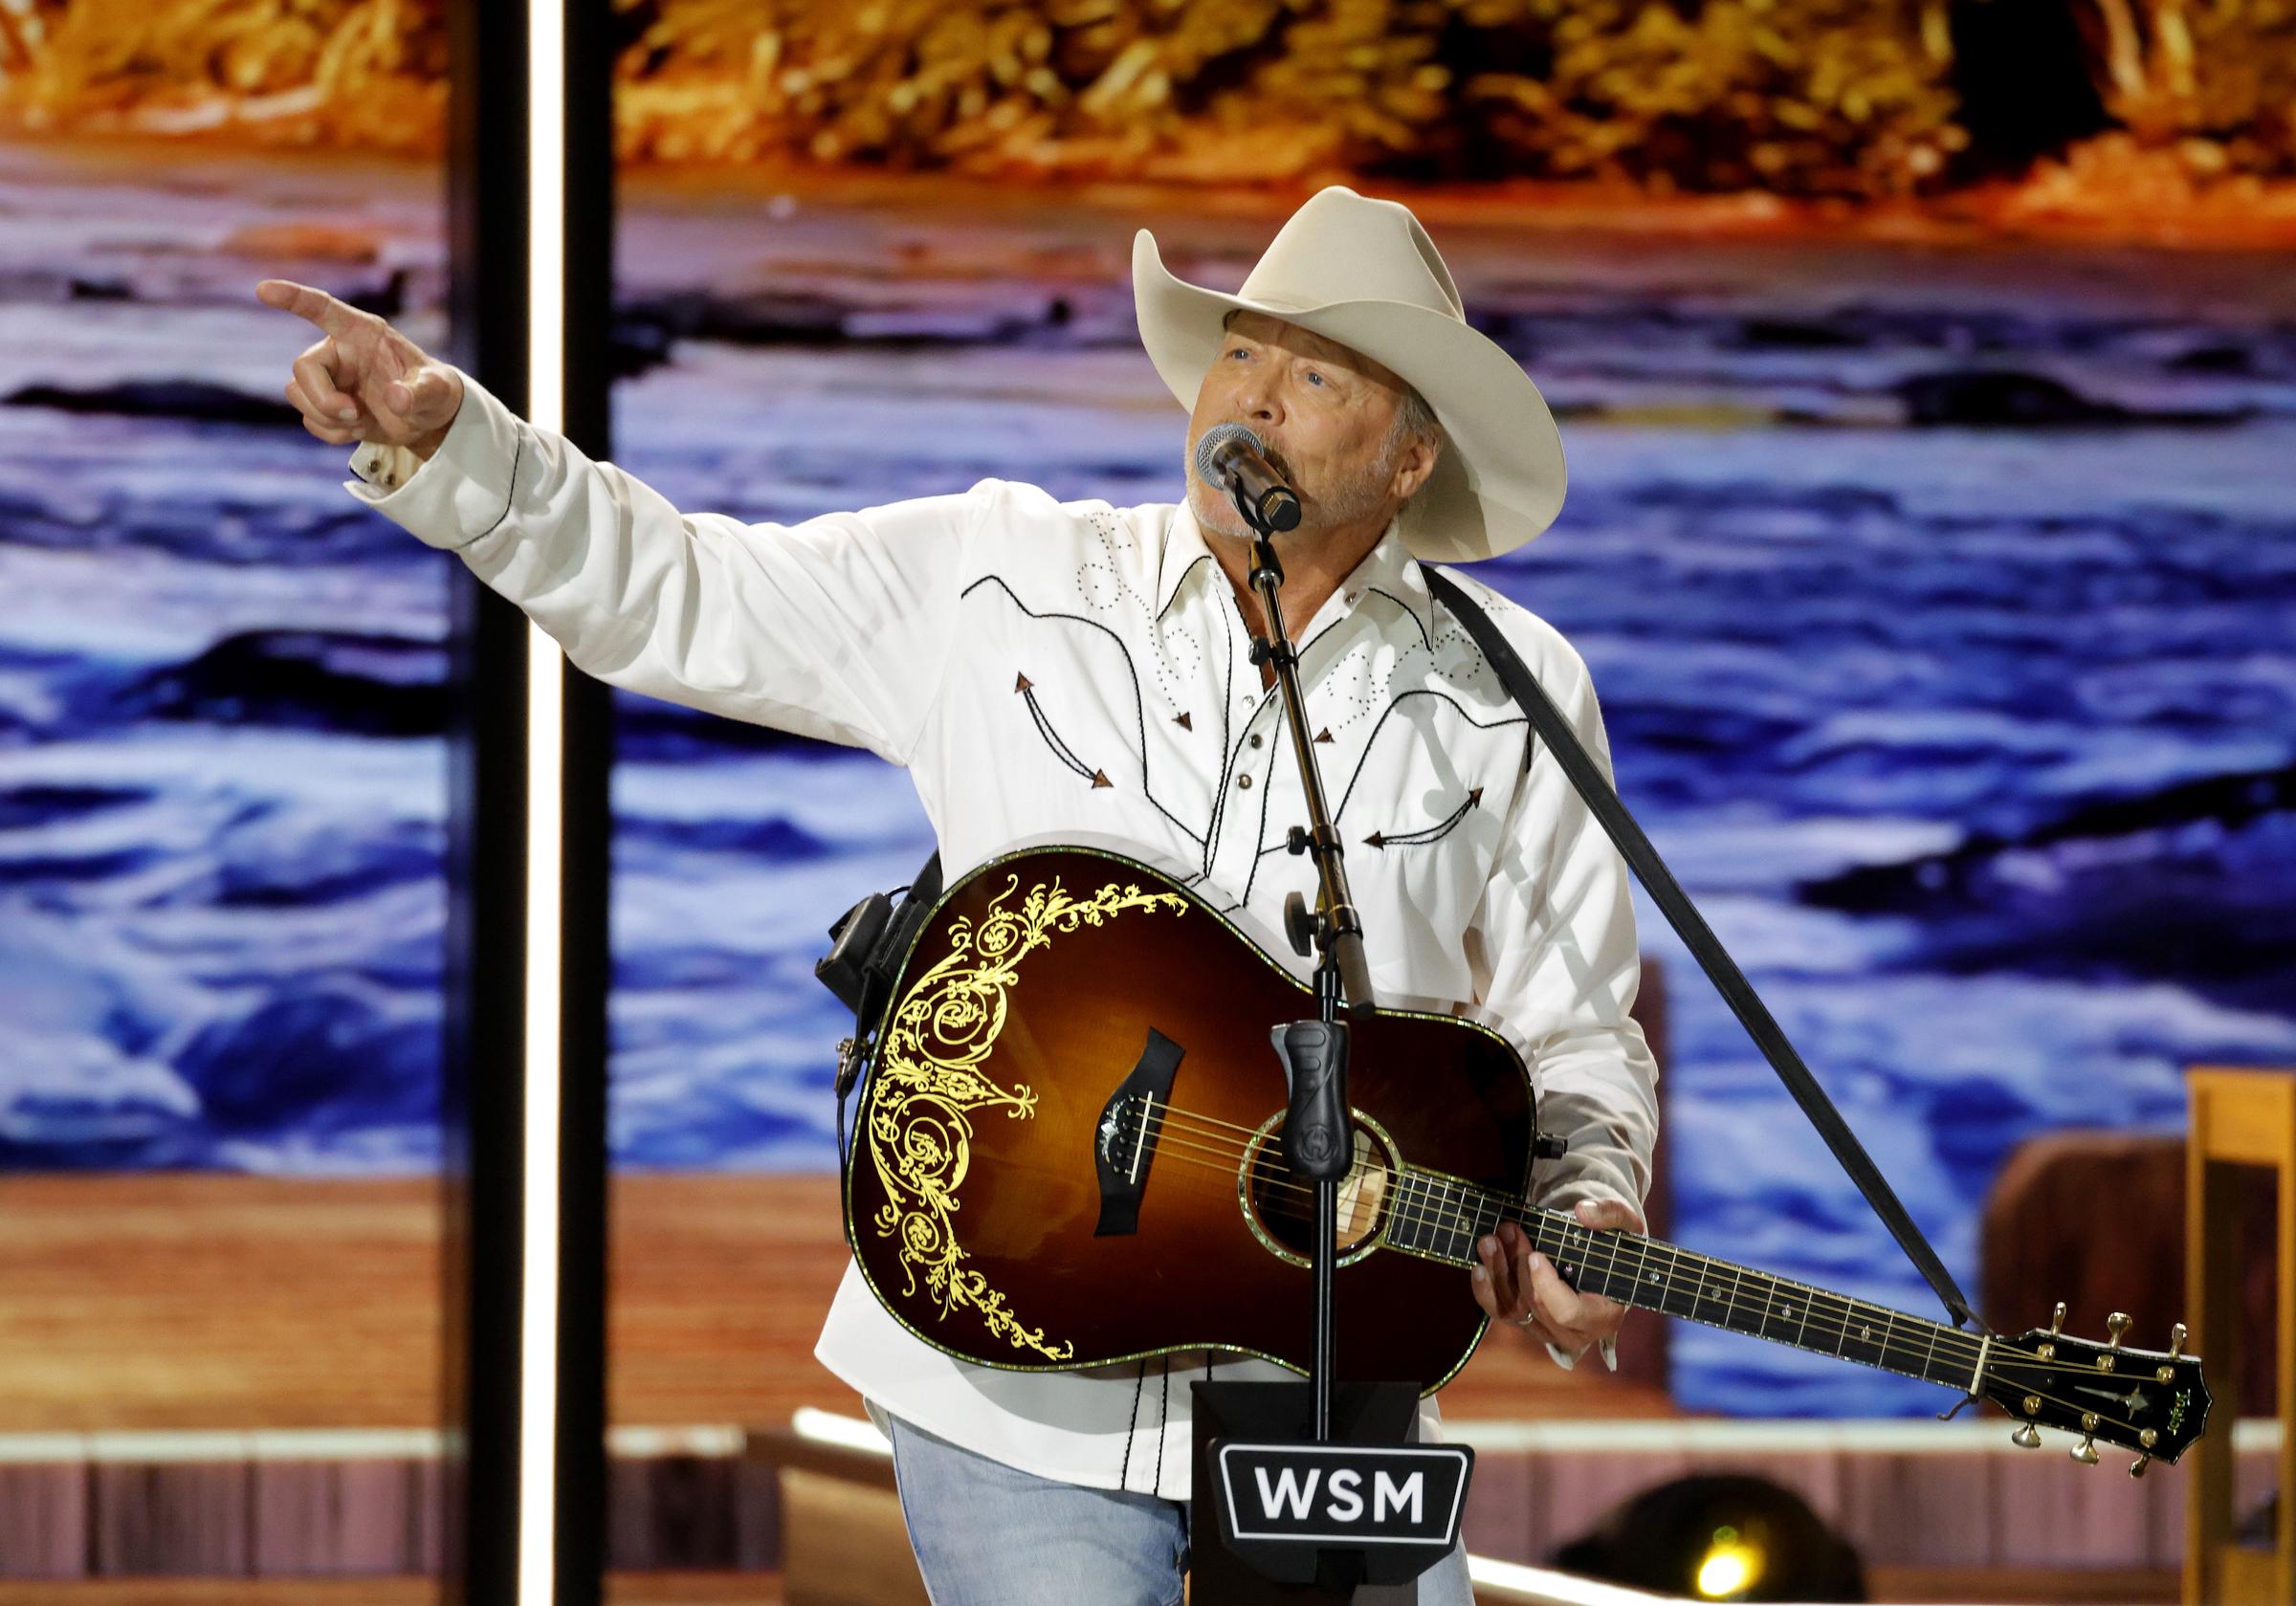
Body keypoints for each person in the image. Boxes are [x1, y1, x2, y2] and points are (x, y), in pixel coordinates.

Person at [257, 184, 1660, 1606]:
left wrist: (1588, 1195)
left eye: (1314, 373)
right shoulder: (1004, 573)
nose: (1254, 397)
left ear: (1414, 451)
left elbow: (1575, 1025)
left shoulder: (1516, 693)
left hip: (1329, 1395)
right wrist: (455, 447)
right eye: (1241, 352)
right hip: (1006, 1376)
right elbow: (678, 590)